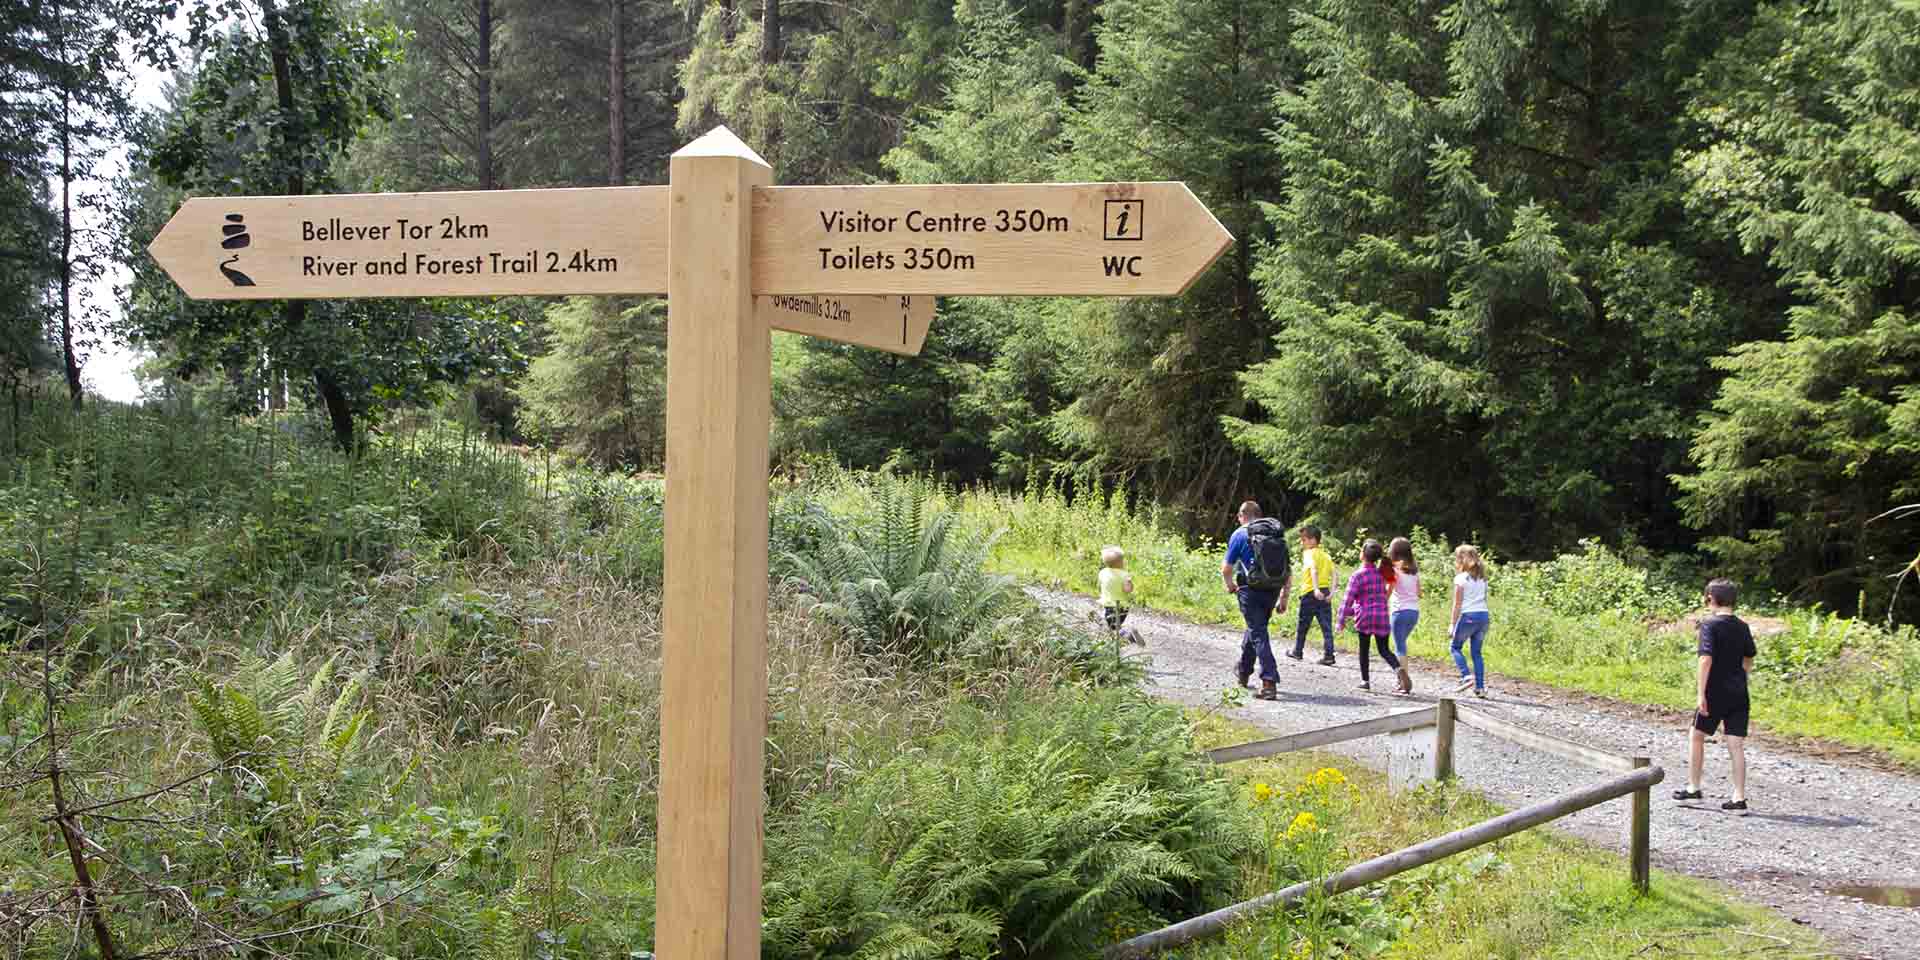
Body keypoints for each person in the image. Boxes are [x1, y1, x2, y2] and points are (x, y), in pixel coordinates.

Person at [1673, 578, 1757, 813]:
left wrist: (1701, 693)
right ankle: (1739, 798)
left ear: (1710, 598)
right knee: (1736, 745)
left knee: (1696, 736)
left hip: (1714, 692)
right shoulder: (1743, 626)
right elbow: (1749, 657)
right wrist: (1741, 676)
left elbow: (1705, 659)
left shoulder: (1709, 625)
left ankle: (1693, 788)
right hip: (1739, 692)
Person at [1222, 501, 1290, 701]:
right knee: (1255, 628)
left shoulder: (1239, 534)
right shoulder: (1275, 534)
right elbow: (1288, 569)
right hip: (1272, 589)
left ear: (1241, 516)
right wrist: (1284, 597)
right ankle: (1243, 672)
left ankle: (1269, 681)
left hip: (1250, 590)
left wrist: (1230, 585)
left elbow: (1227, 568)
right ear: (1259, 515)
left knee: (1258, 632)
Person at [1339, 539, 1412, 694]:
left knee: (1364, 649)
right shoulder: (1381, 574)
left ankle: (1365, 681)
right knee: (1384, 649)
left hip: (1364, 617)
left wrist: (1341, 620)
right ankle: (1398, 669)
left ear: (1362, 555)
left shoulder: (1357, 575)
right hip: (1382, 616)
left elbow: (1348, 600)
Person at [1288, 525, 1337, 665]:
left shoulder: (1309, 553)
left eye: (1304, 540)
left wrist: (1315, 589)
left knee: (1303, 624)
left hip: (1310, 592)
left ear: (1312, 540)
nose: (1302, 543)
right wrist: (1332, 592)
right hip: (1325, 592)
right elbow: (1334, 574)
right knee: (1326, 626)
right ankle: (1329, 655)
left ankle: (1297, 651)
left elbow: (1313, 570)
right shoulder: (1326, 555)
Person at [1448, 544, 1491, 698]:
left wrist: (1452, 624)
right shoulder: (1483, 579)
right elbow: (1484, 599)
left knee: (1455, 647)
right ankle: (1480, 688)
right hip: (1484, 617)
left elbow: (1457, 604)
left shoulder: (1460, 579)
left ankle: (1466, 676)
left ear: (1461, 560)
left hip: (1468, 617)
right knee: (1477, 653)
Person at [1097, 545, 1139, 643]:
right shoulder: (1124, 575)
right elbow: (1127, 590)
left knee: (1114, 627)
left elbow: (1101, 585)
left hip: (1109, 605)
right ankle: (1121, 638)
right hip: (1123, 606)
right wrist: (1130, 583)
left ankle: (1127, 635)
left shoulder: (1103, 573)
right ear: (1120, 562)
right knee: (1116, 625)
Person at [1387, 537, 1420, 659]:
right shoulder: (1414, 571)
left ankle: (1403, 677)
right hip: (1414, 612)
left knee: (1400, 647)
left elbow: (1388, 592)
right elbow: (1419, 592)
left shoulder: (1394, 571)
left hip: (1399, 611)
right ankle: (1401, 675)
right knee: (1401, 645)